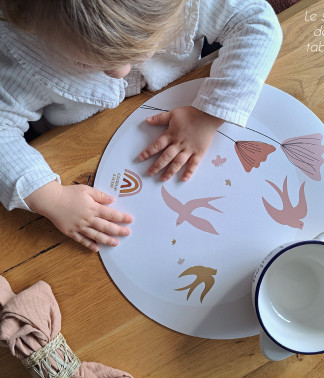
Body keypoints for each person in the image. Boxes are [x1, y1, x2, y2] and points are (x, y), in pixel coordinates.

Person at [0, 0, 283, 252]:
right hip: (75, 139)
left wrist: (208, 114)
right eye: (84, 63)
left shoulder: (184, 5)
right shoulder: (19, 48)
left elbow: (256, 20)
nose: (119, 72)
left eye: (141, 53)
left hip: (178, 101)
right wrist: (50, 198)